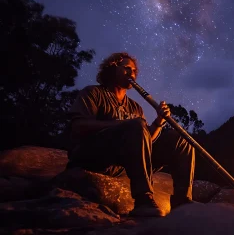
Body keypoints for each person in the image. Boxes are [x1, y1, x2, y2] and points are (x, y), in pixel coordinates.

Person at [66, 52, 195, 217]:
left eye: (134, 71)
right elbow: (78, 127)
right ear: (112, 68)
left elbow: (145, 139)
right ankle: (143, 200)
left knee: (181, 139)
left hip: (123, 163)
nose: (132, 74)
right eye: (126, 68)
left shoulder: (135, 107)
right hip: (93, 156)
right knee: (136, 125)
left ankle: (182, 203)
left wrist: (158, 122)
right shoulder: (93, 93)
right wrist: (121, 124)